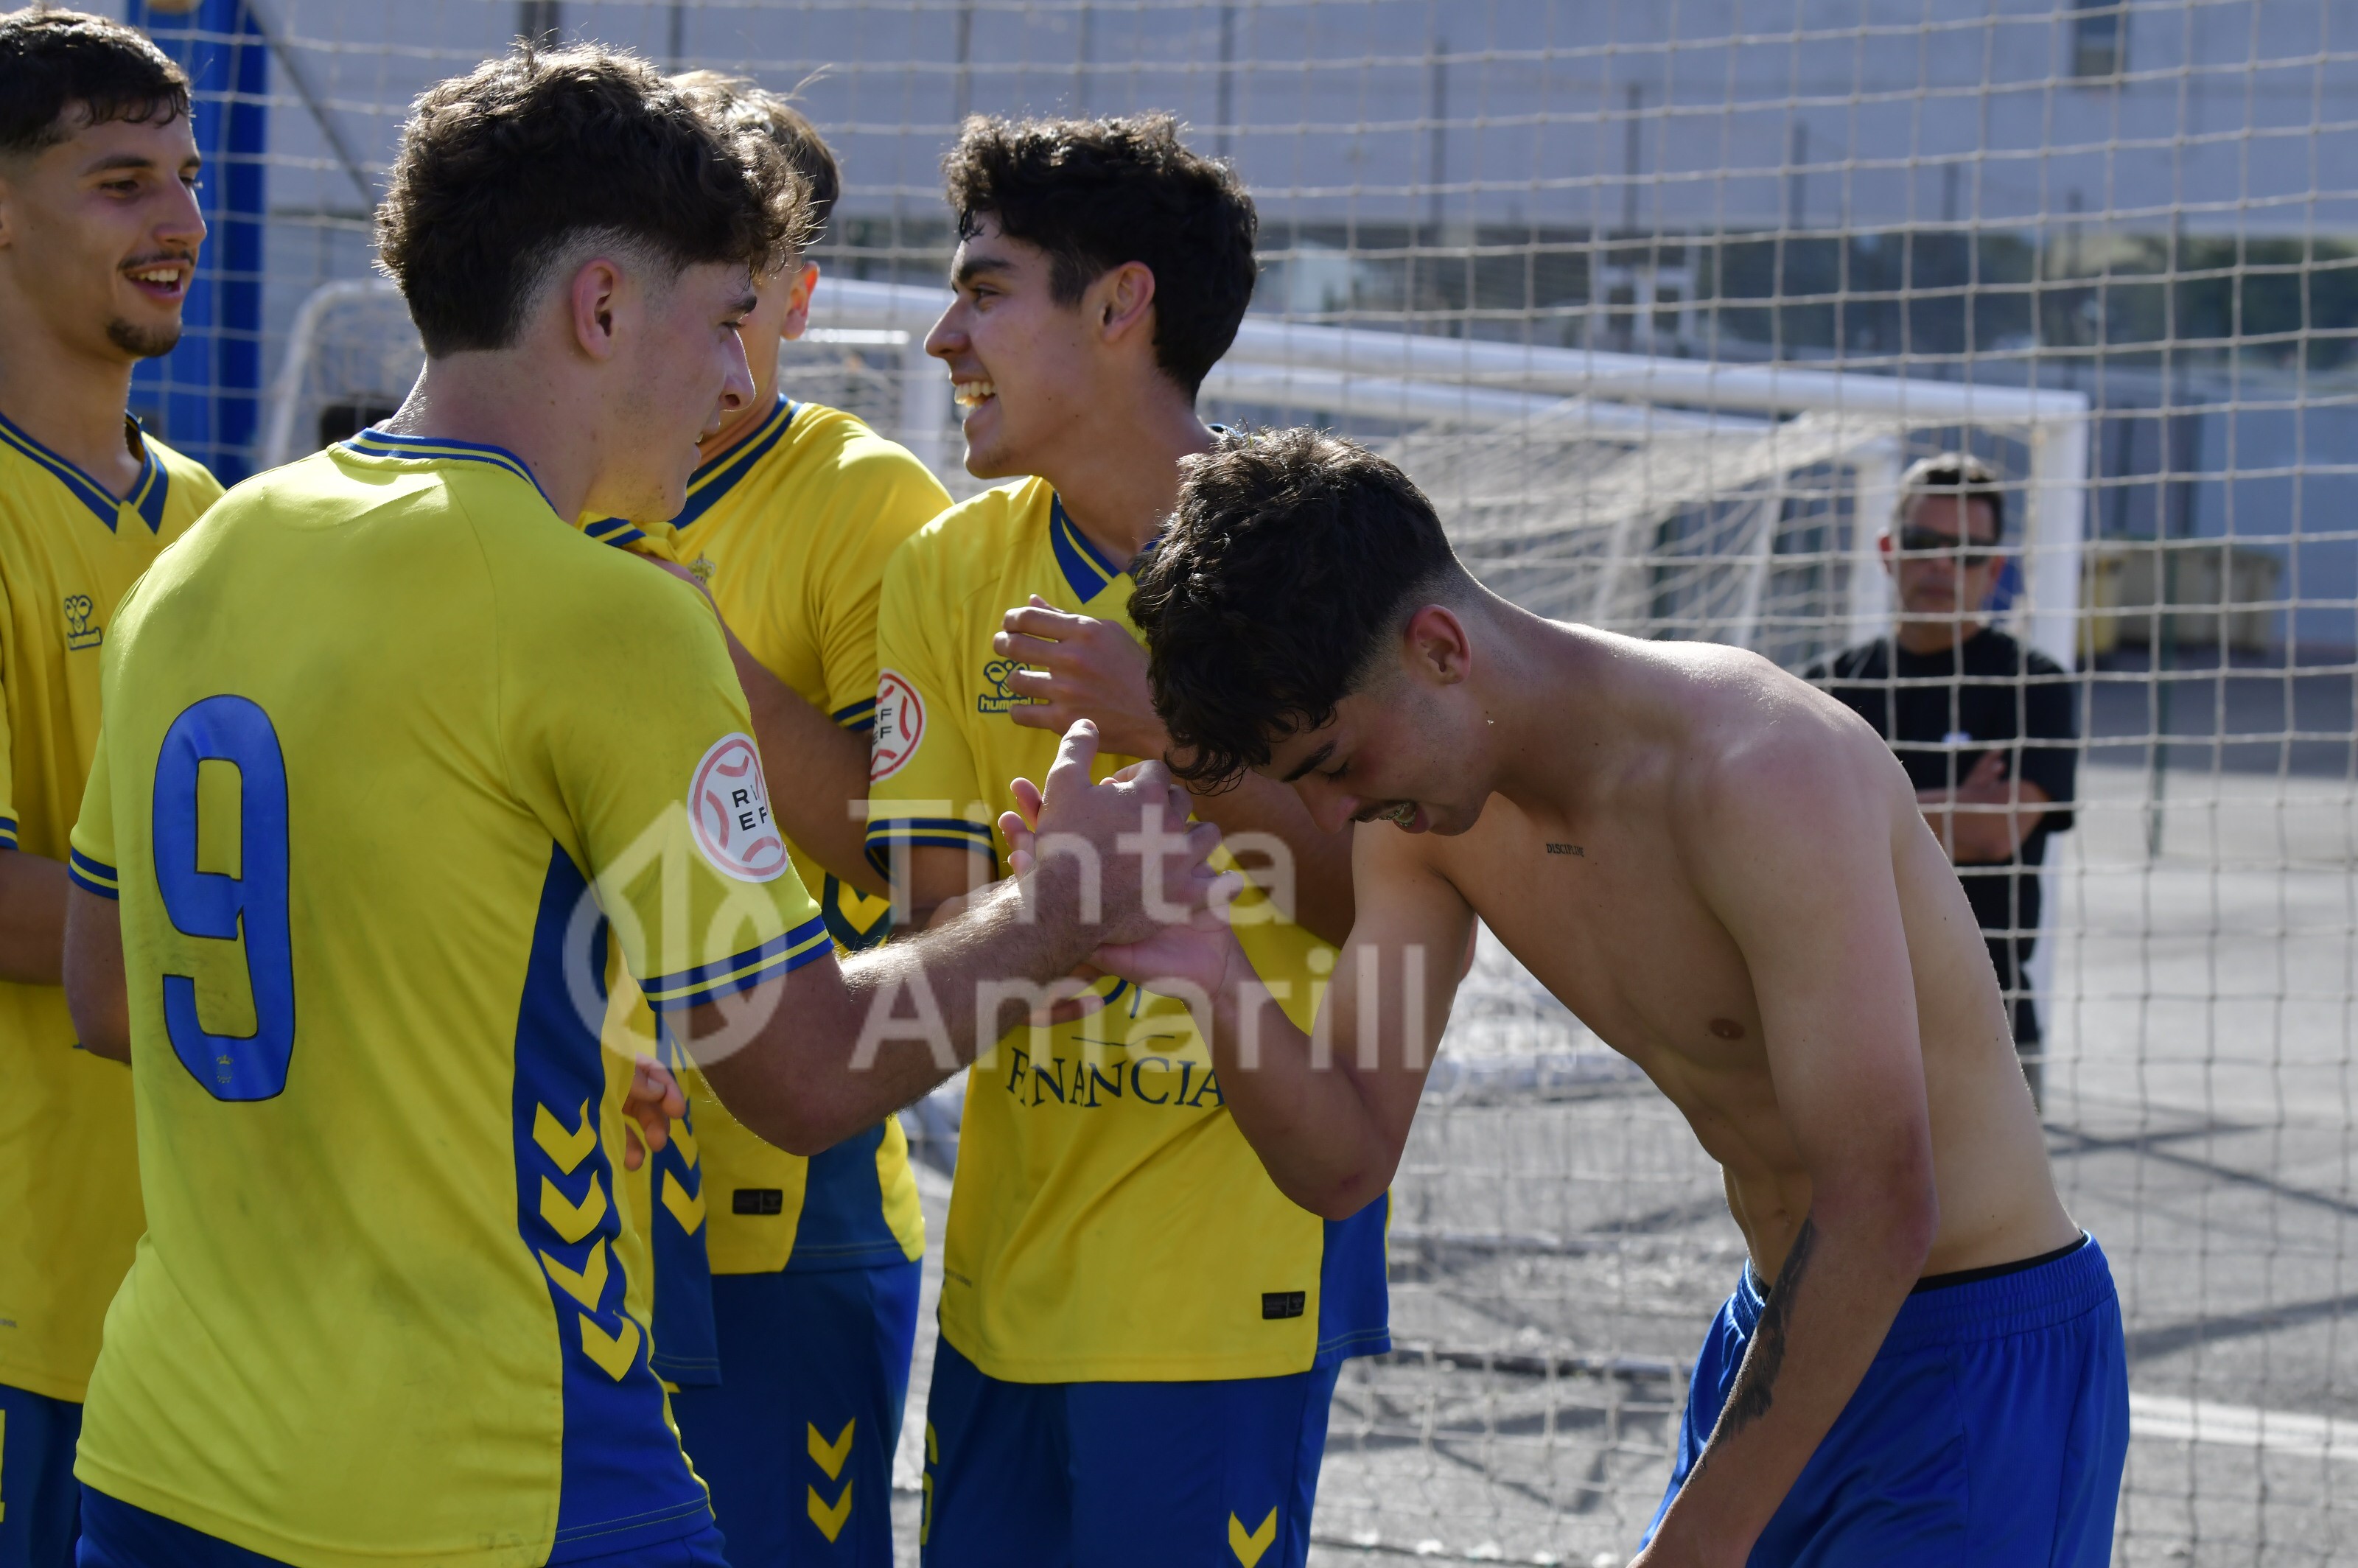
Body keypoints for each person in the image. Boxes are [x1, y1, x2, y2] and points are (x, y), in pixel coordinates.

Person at [57, 47, 1217, 1568]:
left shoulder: (215, 545)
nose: (740, 378)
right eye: (725, 319)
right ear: (601, 308)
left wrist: (532, 1018)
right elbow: (798, 1072)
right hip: (490, 1478)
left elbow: (107, 987)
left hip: (163, 1463)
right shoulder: (602, 612)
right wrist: (1072, 904)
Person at [1105, 429, 2130, 1566]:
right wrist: (1208, 966)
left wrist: (1693, 1546)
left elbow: (1885, 1199)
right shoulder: (1419, 829)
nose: (1334, 818)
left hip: (1970, 1351)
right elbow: (1341, 1154)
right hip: (1781, 1331)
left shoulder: (1757, 767)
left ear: (1440, 647)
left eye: (1337, 762)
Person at [865, 115, 1376, 1568]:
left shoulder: (1320, 555)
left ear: (1118, 304)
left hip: (1220, 1303)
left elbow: (1379, 905)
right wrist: (1049, 918)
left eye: (981, 289)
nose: (937, 338)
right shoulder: (947, 568)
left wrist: (1181, 734)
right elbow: (935, 938)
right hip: (1001, 1295)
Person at [587, 73, 954, 1567]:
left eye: (739, 288)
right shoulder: (550, 488)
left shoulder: (875, 505)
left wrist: (701, 662)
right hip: (555, 1164)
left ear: (795, 293)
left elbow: (908, 850)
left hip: (784, 1197)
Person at [0, 12, 223, 1563]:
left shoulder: (211, 512)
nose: (182, 224)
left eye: (190, 180)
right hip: (23, 1301)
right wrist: (318, 966)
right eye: (123, 182)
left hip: (205, 1298)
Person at [1803, 452, 2078, 1107]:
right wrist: (1952, 803)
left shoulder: (2031, 686)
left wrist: (1857, 813)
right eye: (1925, 544)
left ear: (1996, 569)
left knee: (1999, 1215)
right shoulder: (1825, 691)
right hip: (1839, 1018)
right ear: (1888, 550)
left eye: (1966, 552)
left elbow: (1992, 832)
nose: (1941, 567)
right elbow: (1794, 841)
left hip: (1987, 1020)